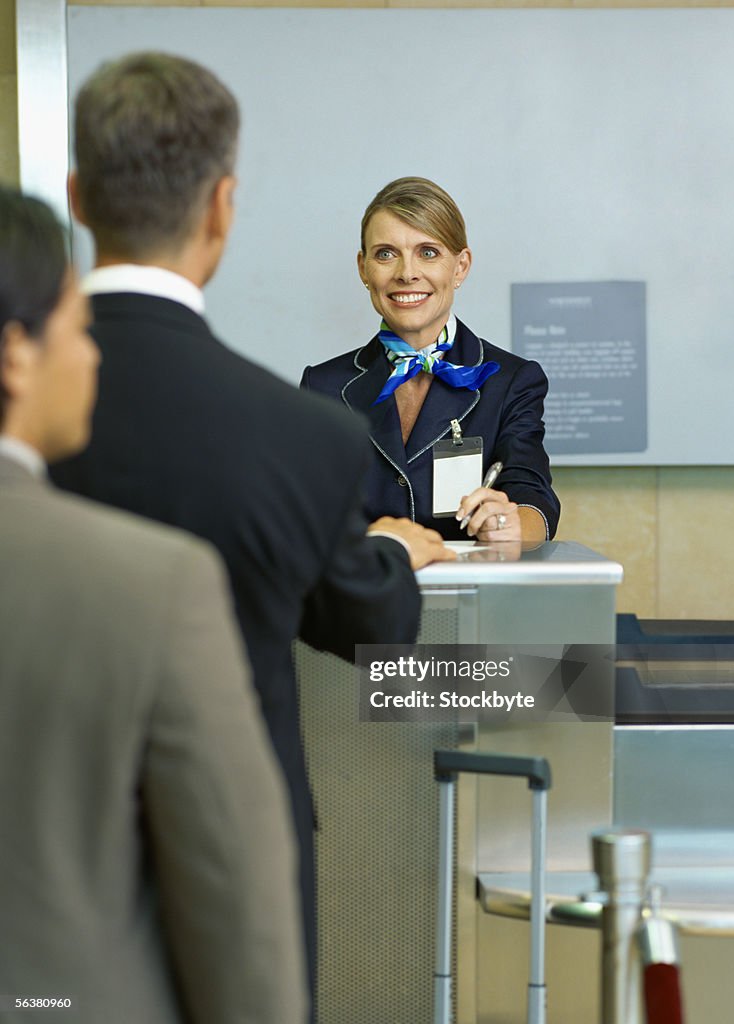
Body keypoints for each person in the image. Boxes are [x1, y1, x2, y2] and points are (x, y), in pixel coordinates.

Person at [49, 54, 453, 1018]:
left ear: (76, 197)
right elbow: (366, 626)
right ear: (222, 207)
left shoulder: (28, 406)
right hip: (236, 859)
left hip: (39, 842)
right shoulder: (299, 430)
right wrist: (397, 549)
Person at [0, 187, 306, 1023]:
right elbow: (233, 901)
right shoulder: (150, 584)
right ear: (16, 355)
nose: (94, 356)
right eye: (76, 326)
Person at [301, 176, 561, 544]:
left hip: (473, 596)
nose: (407, 273)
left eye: (428, 252)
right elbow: (304, 513)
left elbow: (532, 494)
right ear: (363, 268)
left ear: (460, 267)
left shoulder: (511, 381)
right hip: (364, 595)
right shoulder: (323, 386)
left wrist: (513, 524)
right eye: (386, 254)